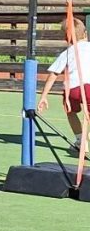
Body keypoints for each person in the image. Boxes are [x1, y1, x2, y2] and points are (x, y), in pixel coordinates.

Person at [38, 18, 90, 155]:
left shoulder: (67, 53)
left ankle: (81, 141)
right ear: (85, 33)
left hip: (73, 88)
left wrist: (44, 96)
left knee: (70, 112)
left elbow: (53, 75)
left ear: (66, 38)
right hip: (89, 87)